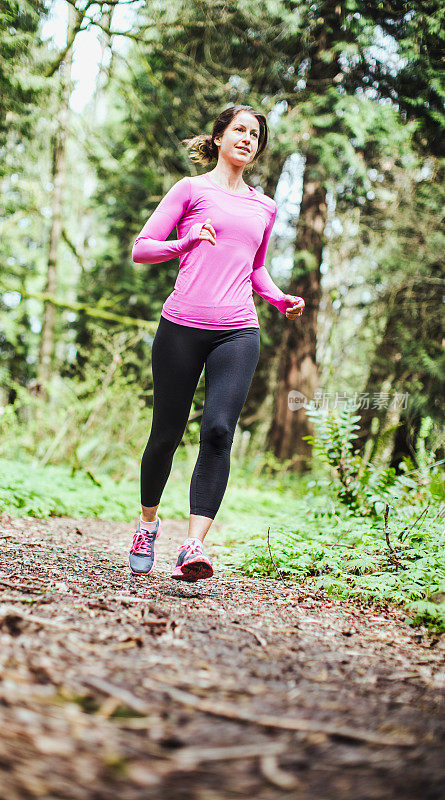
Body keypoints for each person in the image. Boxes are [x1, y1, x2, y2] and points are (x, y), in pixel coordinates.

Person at [128, 104, 305, 582]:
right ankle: (148, 525)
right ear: (220, 136)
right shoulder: (191, 190)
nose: (247, 138)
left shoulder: (264, 206)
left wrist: (277, 297)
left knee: (220, 431)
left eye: (254, 134)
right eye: (239, 130)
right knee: (165, 434)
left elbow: (256, 267)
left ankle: (193, 545)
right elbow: (142, 248)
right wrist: (182, 244)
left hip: (237, 330)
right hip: (181, 325)